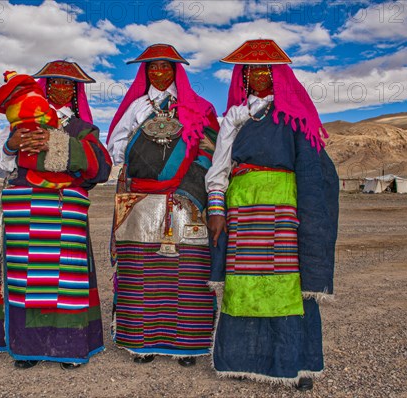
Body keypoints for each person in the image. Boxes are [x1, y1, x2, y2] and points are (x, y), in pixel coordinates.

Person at [205, 40, 339, 390]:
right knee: (244, 285)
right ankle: (241, 359)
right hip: (243, 210)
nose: (258, 75)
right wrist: (216, 208)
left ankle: (296, 365)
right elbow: (218, 169)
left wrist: (308, 222)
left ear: (277, 75)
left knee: (287, 286)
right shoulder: (234, 119)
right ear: (242, 77)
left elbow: (312, 173)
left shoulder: (295, 118)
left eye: (265, 69)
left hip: (283, 211)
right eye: (250, 70)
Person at [0, 60, 112, 370]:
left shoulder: (83, 129)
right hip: (26, 210)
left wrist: (61, 145)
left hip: (63, 210)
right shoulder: (23, 120)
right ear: (45, 87)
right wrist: (11, 143)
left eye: (67, 84)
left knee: (66, 280)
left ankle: (68, 347)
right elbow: (2, 161)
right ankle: (27, 347)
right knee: (26, 278)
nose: (60, 88)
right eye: (54, 83)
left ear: (75, 92)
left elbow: (102, 167)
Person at [107, 44, 220, 367]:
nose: (159, 72)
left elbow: (210, 147)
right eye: (152, 67)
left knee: (188, 273)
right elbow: (116, 148)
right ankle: (142, 342)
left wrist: (190, 186)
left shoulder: (198, 107)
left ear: (176, 70)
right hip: (141, 201)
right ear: (145, 72)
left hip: (187, 200)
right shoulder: (136, 107)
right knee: (141, 272)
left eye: (165, 67)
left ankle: (189, 344)